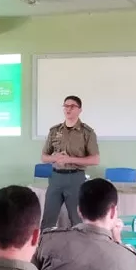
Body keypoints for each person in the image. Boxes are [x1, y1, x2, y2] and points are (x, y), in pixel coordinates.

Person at [40, 95, 100, 230]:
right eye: (66, 106)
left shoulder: (87, 133)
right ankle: (44, 248)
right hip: (56, 178)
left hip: (75, 178)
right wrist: (55, 158)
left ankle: (78, 249)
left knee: (77, 219)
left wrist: (70, 159)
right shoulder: (54, 131)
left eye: (72, 106)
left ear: (80, 110)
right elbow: (44, 157)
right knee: (48, 219)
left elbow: (95, 159)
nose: (68, 109)